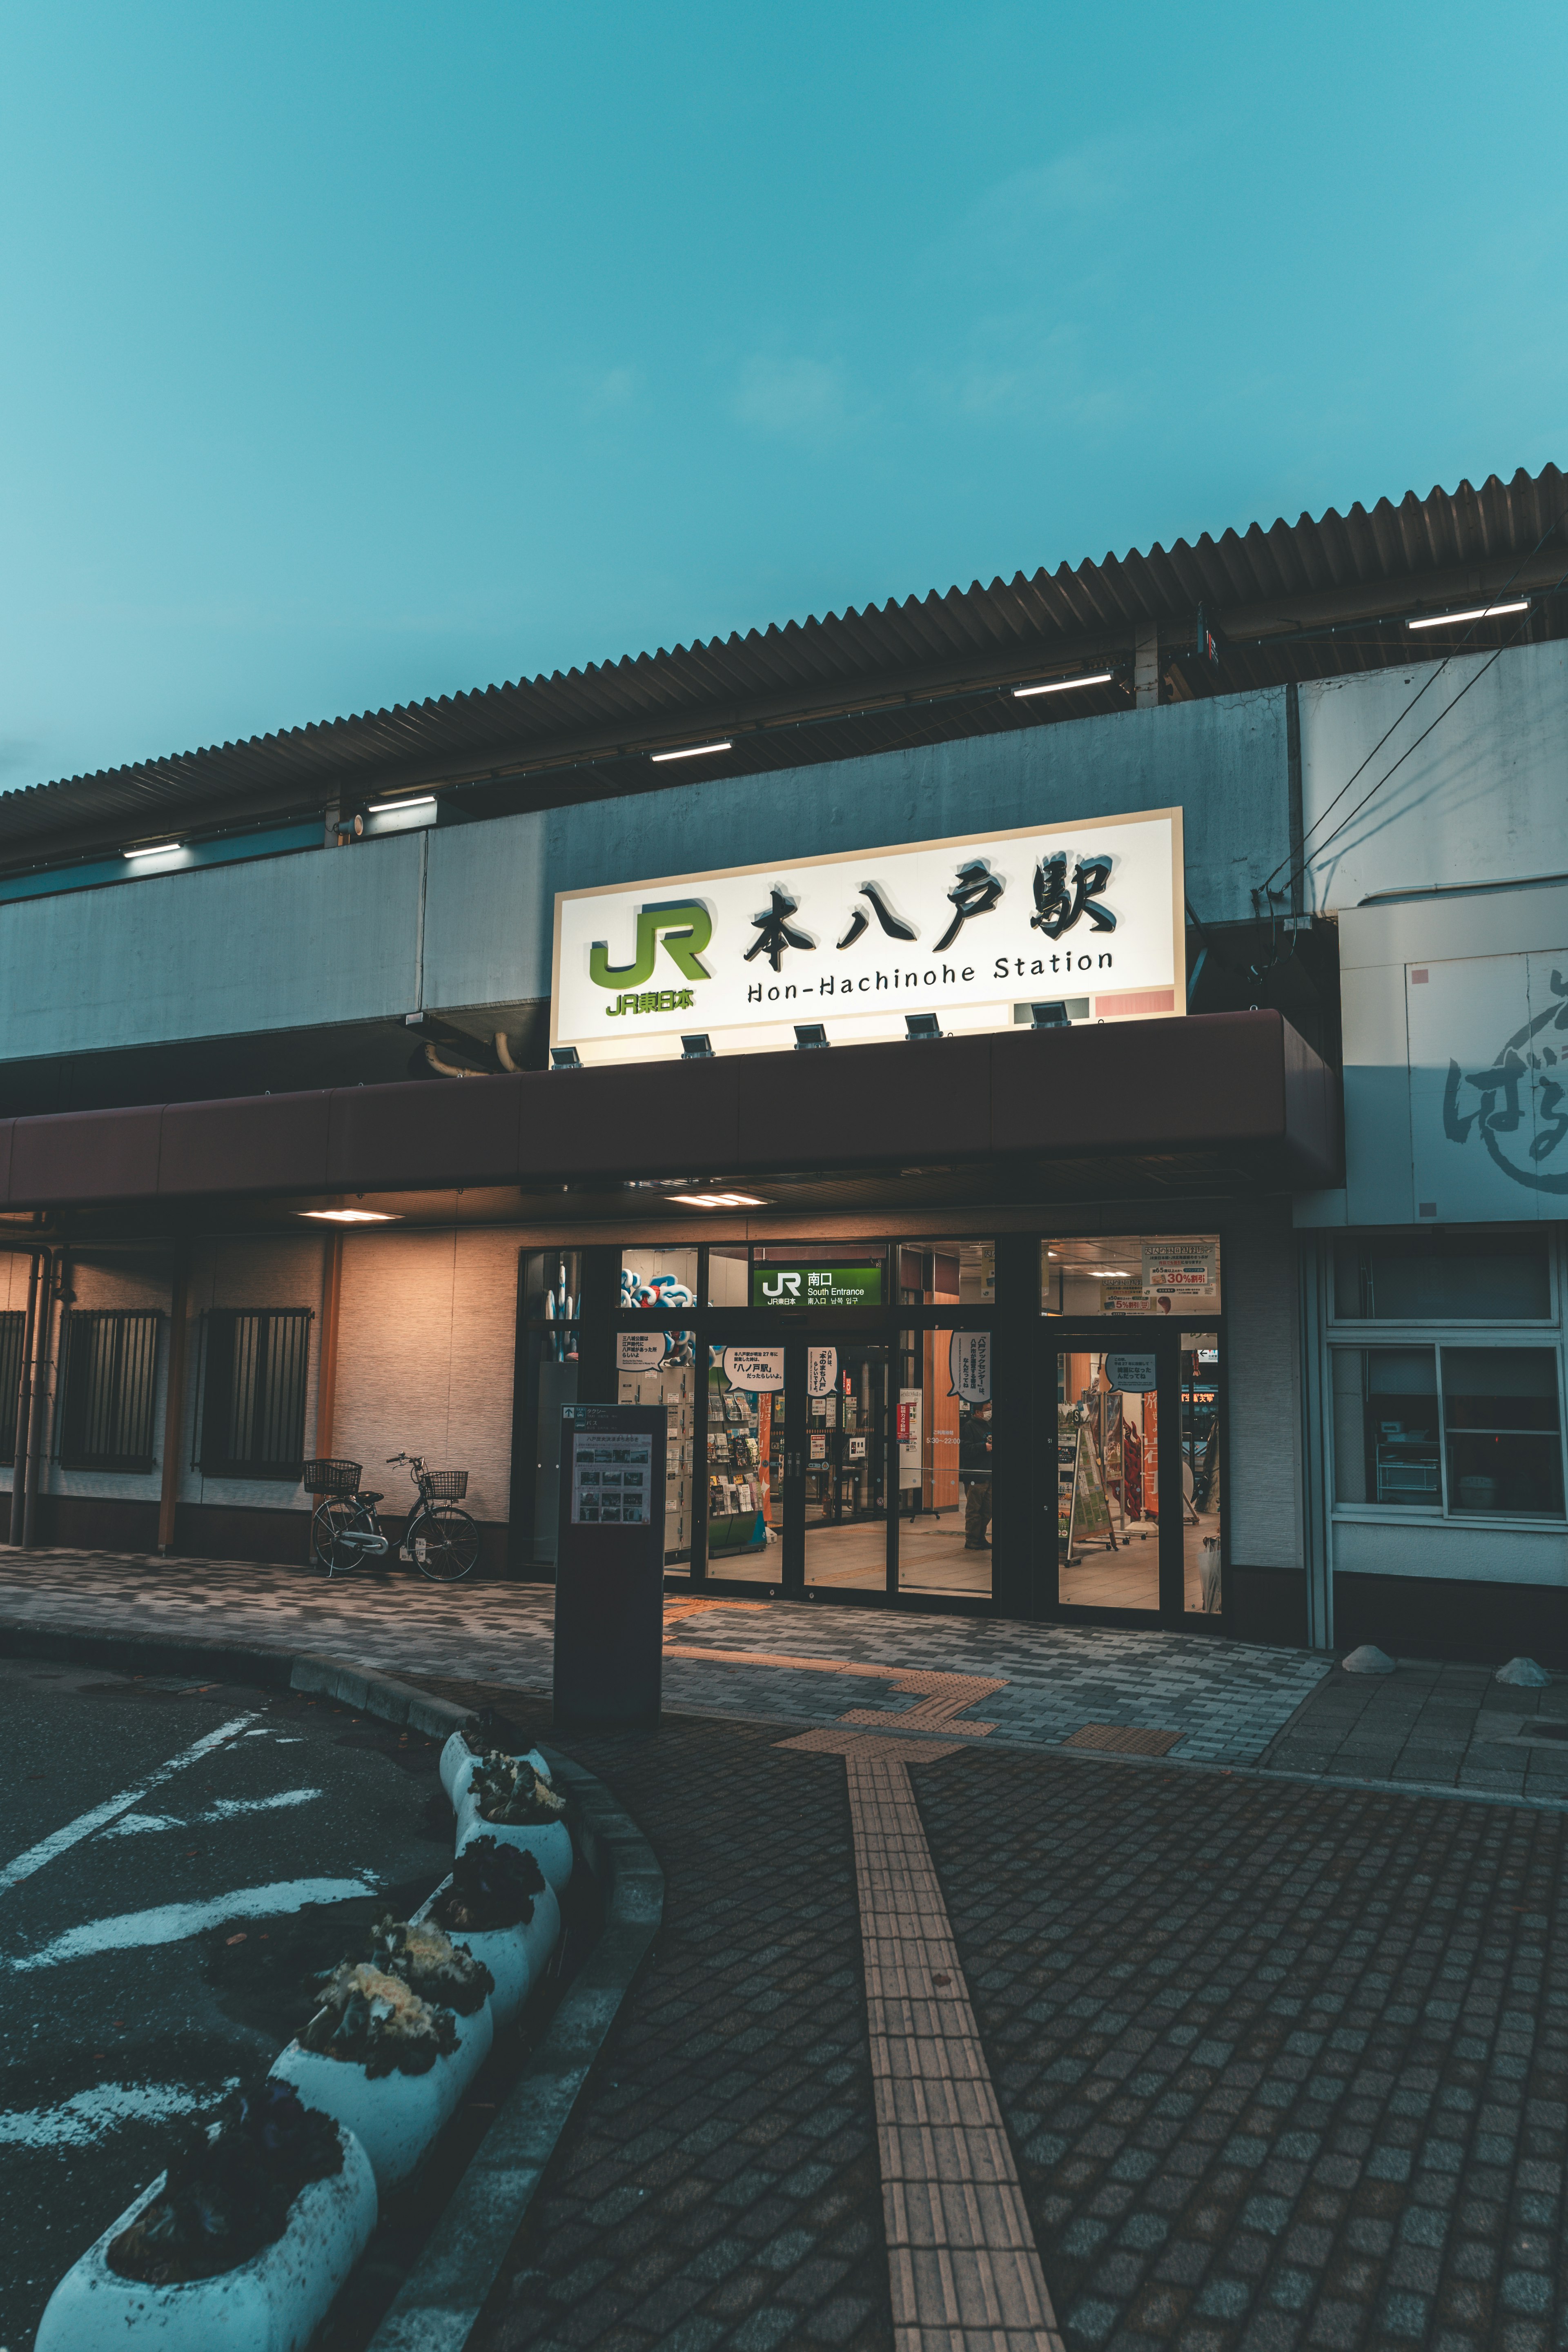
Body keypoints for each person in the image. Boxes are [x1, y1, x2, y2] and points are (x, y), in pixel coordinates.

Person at [959, 1398, 993, 1549]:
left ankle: (981, 1537)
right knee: (974, 1511)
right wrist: (983, 1447)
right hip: (975, 1476)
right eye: (987, 1410)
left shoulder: (989, 1425)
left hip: (989, 1475)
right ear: (978, 1412)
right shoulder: (969, 1427)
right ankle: (972, 1540)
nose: (989, 1412)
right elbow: (966, 1450)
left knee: (988, 1510)